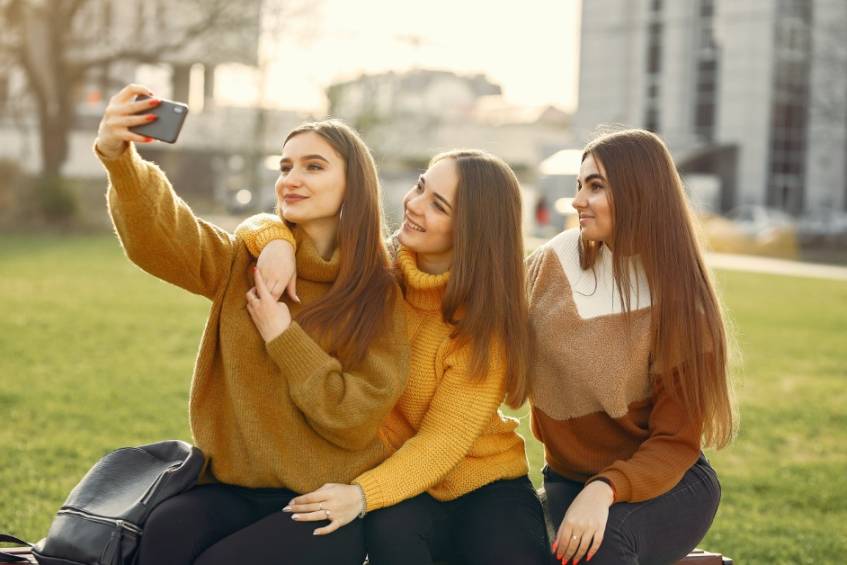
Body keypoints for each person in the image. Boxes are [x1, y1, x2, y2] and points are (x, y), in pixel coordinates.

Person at [93, 84, 410, 565]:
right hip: (230, 485)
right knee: (163, 537)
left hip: (321, 499)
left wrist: (284, 337)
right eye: (285, 166)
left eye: (314, 166)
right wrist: (120, 158)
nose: (291, 178)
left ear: (354, 184)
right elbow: (162, 236)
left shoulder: (379, 288)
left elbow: (355, 419)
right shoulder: (244, 261)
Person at [240, 150, 550, 564]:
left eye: (437, 205)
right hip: (401, 481)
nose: (413, 204)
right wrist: (276, 241)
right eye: (421, 185)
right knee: (392, 535)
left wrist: (363, 495)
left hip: (484, 482)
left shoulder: (486, 325)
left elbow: (441, 442)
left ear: (472, 231)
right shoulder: (373, 271)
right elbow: (268, 224)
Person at [527, 129, 736, 565]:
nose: (579, 200)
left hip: (665, 484)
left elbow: (675, 443)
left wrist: (604, 489)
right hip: (569, 480)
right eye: (579, 186)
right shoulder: (556, 260)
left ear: (640, 192)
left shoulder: (683, 303)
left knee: (598, 551)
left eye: (596, 186)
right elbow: (482, 313)